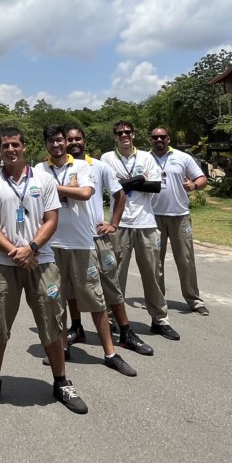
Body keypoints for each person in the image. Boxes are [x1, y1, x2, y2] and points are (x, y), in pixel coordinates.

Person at [0, 127, 88, 414]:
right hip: (3, 264)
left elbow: (51, 219)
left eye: (15, 144)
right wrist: (16, 252)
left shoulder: (45, 180)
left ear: (25, 147)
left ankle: (61, 381)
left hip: (42, 260)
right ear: (0, 150)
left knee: (52, 319)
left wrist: (32, 248)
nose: (10, 149)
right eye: (5, 145)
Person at [39, 125, 136, 377]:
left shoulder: (82, 166)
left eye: (61, 140)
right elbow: (34, 195)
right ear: (46, 145)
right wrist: (61, 188)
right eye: (53, 141)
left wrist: (53, 188)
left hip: (82, 244)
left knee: (96, 300)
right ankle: (62, 348)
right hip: (51, 245)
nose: (58, 145)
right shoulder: (39, 169)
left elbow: (84, 193)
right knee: (57, 301)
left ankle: (110, 353)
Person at [64, 124, 152, 356]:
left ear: (84, 141)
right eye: (69, 139)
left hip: (96, 237)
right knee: (71, 287)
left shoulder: (98, 166)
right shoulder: (60, 168)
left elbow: (119, 194)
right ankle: (76, 327)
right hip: (69, 240)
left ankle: (125, 332)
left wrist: (113, 223)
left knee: (110, 285)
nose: (74, 143)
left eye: (78, 139)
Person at [100, 120, 180, 341]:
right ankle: (112, 318)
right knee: (115, 275)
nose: (124, 135)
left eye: (128, 132)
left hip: (146, 223)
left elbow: (155, 187)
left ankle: (160, 320)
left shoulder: (146, 157)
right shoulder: (107, 158)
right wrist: (141, 178)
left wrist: (127, 182)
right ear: (115, 136)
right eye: (120, 133)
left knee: (153, 273)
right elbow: (112, 186)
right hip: (119, 223)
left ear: (134, 135)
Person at [149, 128, 210, 316]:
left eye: (162, 136)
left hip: (180, 215)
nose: (159, 139)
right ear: (150, 140)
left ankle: (194, 299)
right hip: (153, 217)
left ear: (169, 138)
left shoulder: (183, 157)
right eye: (155, 137)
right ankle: (156, 299)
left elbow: (202, 179)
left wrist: (194, 185)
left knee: (185, 259)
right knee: (154, 260)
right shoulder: (144, 158)